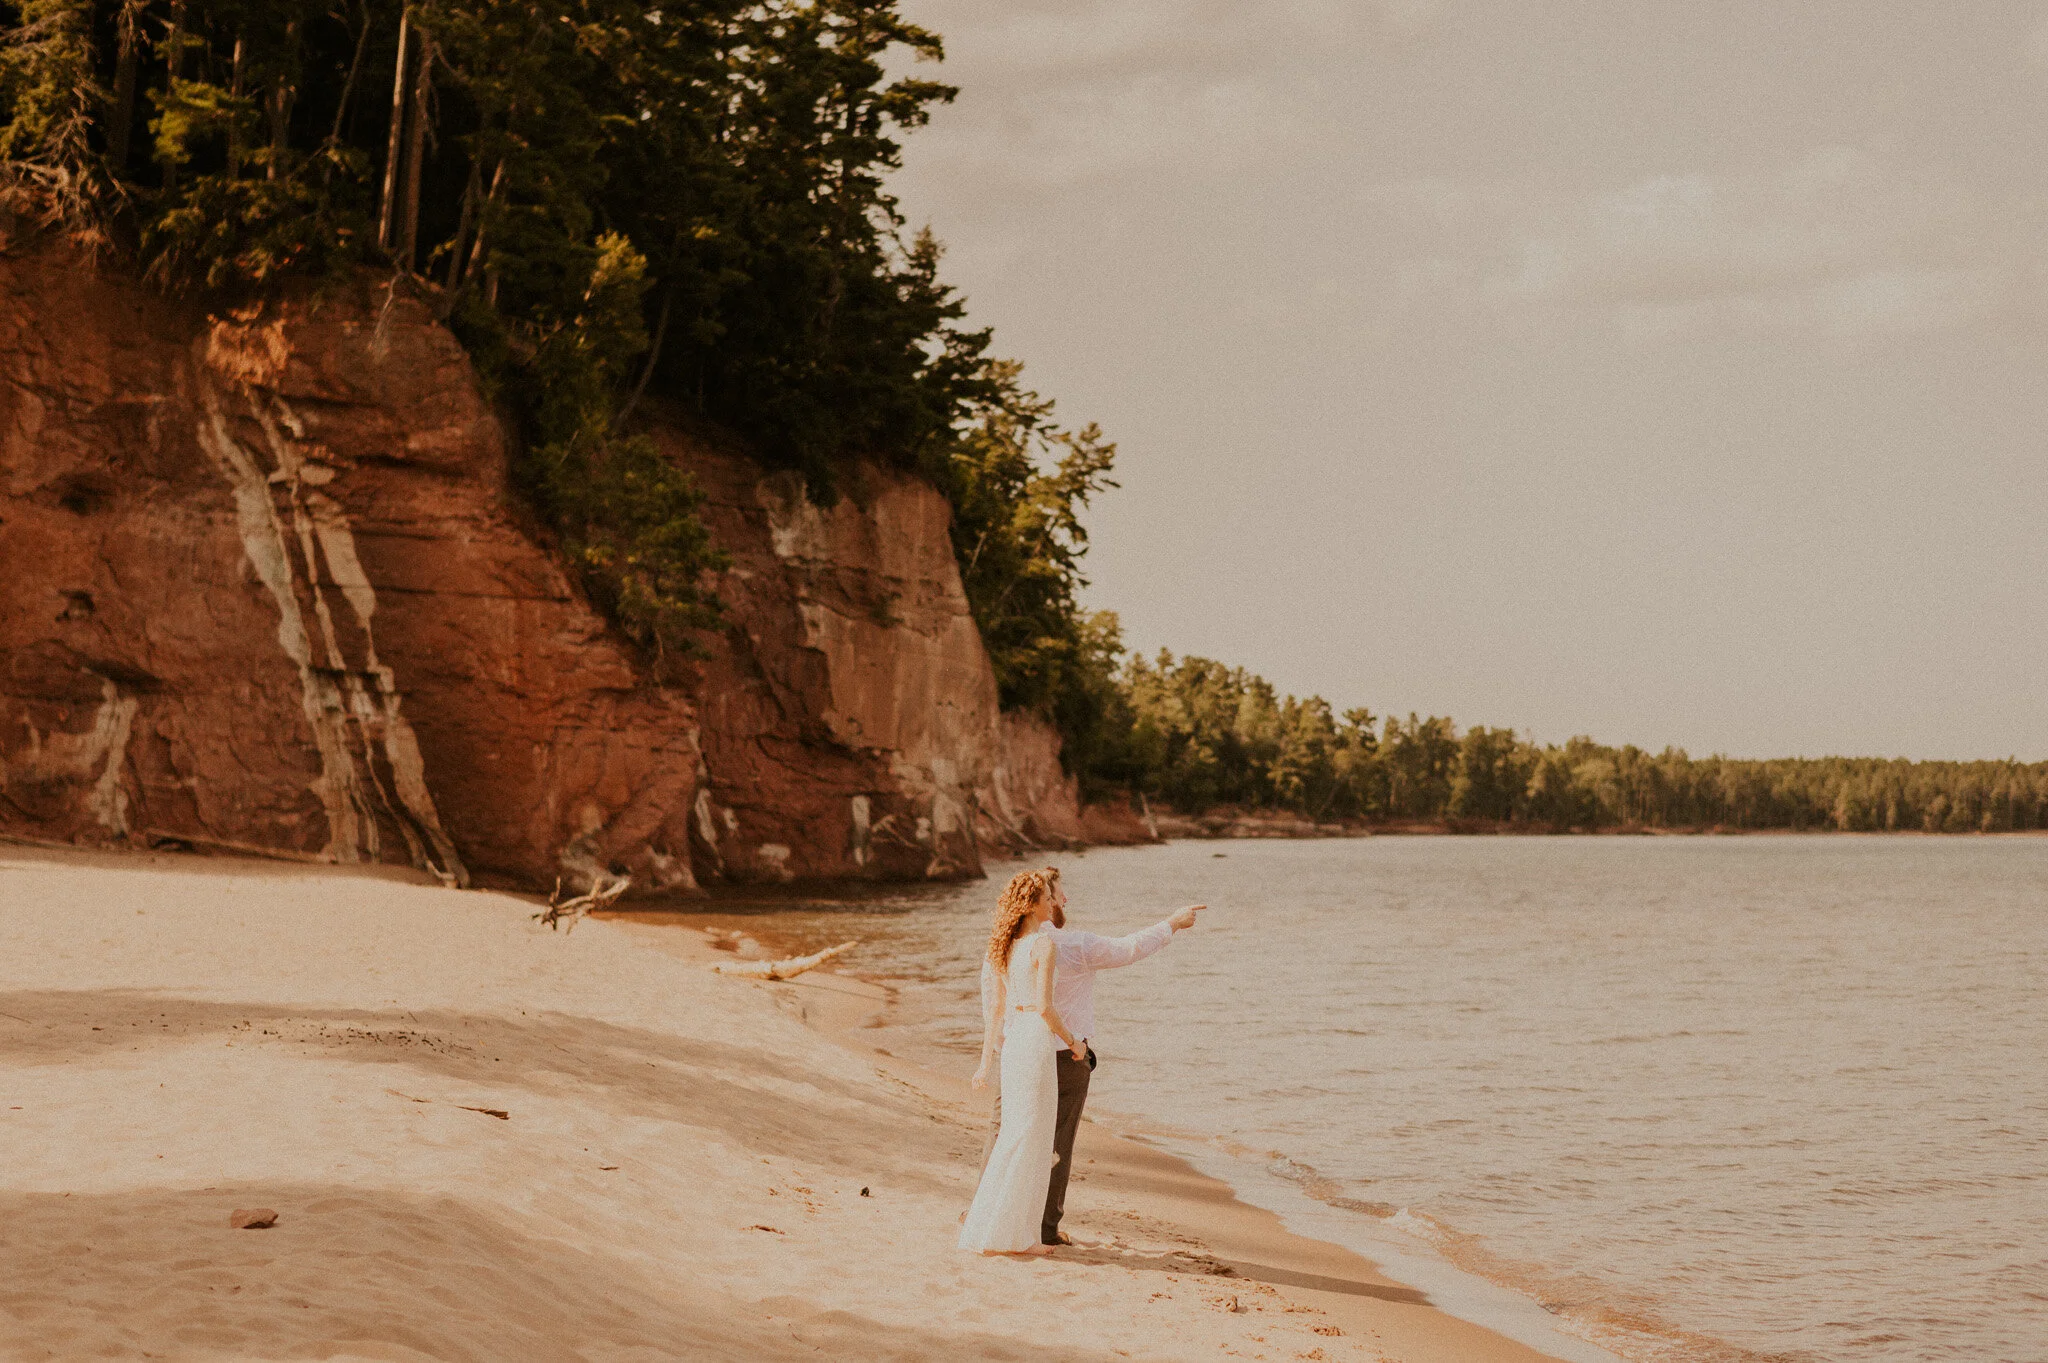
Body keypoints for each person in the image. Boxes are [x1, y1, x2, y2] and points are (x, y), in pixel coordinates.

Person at [977, 866, 1202, 1247]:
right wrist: (1172, 924)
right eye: (1056, 894)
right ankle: (1046, 1227)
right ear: (1041, 902)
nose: (1062, 899)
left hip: (1017, 1051)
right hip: (1063, 1056)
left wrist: (997, 1049)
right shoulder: (1073, 946)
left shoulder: (1003, 944)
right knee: (1056, 1143)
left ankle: (985, 1213)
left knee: (1004, 1133)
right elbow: (1128, 949)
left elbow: (993, 1001)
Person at [957, 868, 1086, 1255]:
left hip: (1013, 1047)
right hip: (1035, 1043)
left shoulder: (1006, 947)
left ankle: (996, 1229)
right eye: (1047, 897)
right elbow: (1046, 1008)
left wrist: (984, 1064)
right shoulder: (1043, 946)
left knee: (1015, 1135)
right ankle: (1020, 1237)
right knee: (1033, 1136)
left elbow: (996, 1013)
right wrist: (1074, 1043)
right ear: (1032, 905)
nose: (1054, 902)